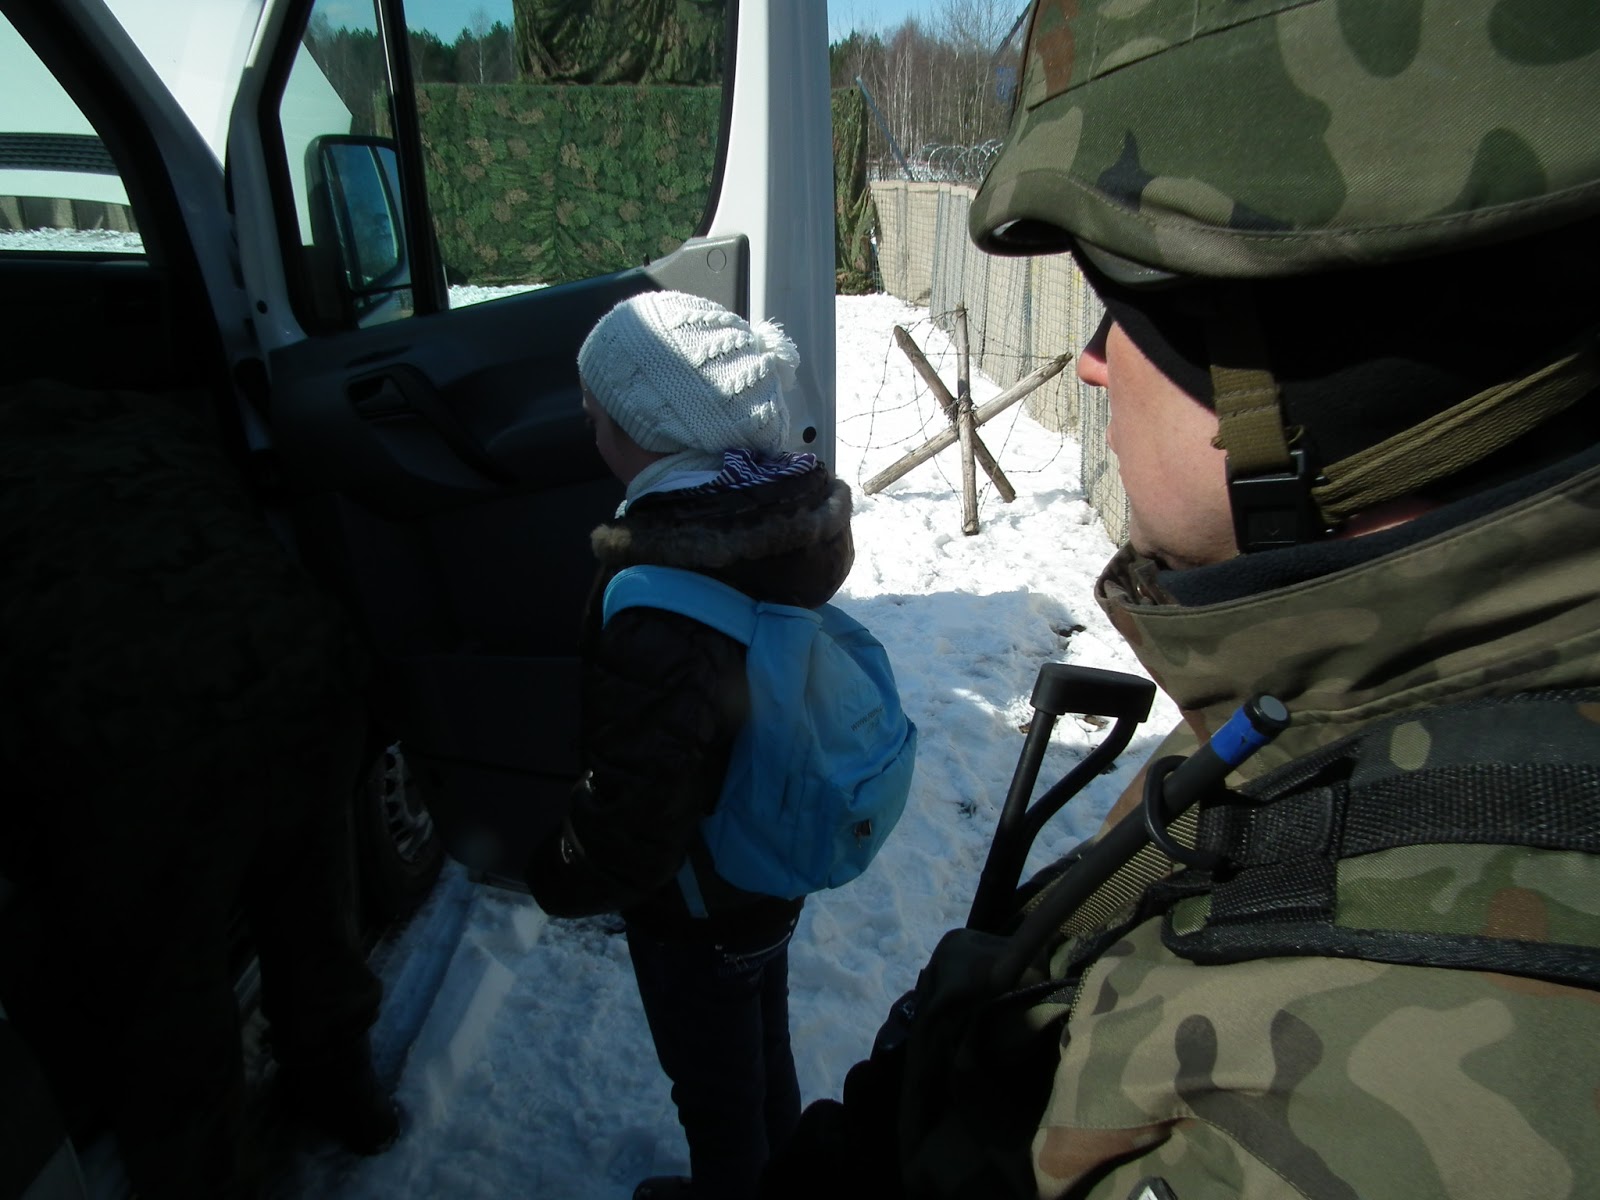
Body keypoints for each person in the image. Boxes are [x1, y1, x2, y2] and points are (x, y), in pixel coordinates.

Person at [765, 3, 1600, 1198]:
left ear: (1316, 378)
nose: (1093, 356)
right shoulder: (1341, 703)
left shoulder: (1353, 1079)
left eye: (1137, 312)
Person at [0, 381, 400, 1198]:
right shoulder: (145, 414)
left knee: (169, 1001)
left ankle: (203, 1178)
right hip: (302, 677)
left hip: (140, 743)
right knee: (312, 917)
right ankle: (347, 1098)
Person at [525, 290, 855, 1200]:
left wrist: (559, 871)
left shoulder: (660, 601)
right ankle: (779, 1177)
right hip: (767, 867)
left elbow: (638, 810)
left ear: (649, 433)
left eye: (596, 417)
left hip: (697, 904)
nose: (589, 428)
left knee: (714, 1093)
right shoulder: (777, 523)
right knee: (762, 1048)